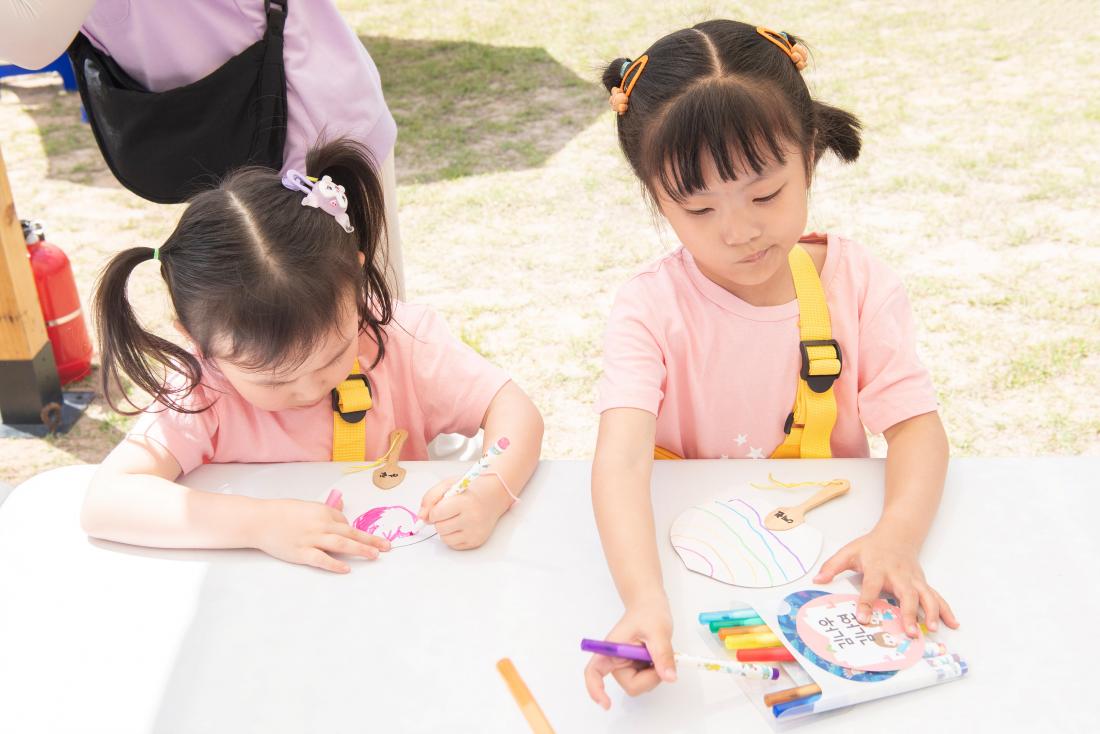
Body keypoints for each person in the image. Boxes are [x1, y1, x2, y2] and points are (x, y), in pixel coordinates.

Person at [584, 19, 958, 708]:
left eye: (764, 194)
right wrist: (643, 597)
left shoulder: (859, 285)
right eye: (697, 208)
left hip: (827, 565)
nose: (740, 231)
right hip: (688, 567)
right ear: (655, 196)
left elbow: (916, 429)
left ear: (808, 155)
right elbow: (621, 461)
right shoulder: (648, 308)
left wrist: (895, 539)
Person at [83, 138, 543, 572]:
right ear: (198, 341)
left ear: (357, 286)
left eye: (331, 358)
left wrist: (489, 491)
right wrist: (258, 524)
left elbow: (514, 411)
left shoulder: (399, 339)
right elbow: (108, 502)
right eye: (272, 380)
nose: (308, 388)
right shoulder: (202, 386)